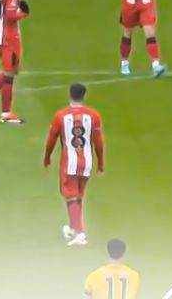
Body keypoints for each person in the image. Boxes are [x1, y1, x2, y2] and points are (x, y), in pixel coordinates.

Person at [43, 83, 105, 246]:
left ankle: (80, 233)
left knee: (71, 197)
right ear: (84, 95)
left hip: (69, 163)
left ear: (69, 94)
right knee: (77, 197)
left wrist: (47, 156)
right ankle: (72, 228)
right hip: (87, 163)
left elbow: (52, 139)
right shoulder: (94, 116)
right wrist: (101, 163)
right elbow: (99, 141)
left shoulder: (60, 116)